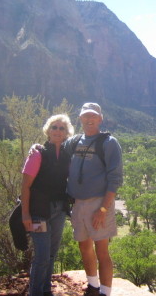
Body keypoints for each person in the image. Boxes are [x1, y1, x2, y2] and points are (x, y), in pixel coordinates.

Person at [66, 103, 123, 296]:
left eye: (93, 116)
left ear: (100, 118)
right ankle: (93, 286)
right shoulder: (75, 142)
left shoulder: (108, 143)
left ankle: (105, 292)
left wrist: (103, 209)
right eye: (85, 116)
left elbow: (115, 179)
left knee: (102, 250)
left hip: (99, 203)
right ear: (80, 118)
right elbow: (54, 148)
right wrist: (38, 148)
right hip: (78, 203)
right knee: (83, 245)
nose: (89, 120)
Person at [21, 114, 75, 296]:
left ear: (66, 132)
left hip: (59, 210)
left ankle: (45, 290)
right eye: (54, 127)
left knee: (51, 255)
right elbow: (25, 186)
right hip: (39, 212)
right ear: (48, 130)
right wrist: (25, 214)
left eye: (61, 128)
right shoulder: (38, 153)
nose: (57, 131)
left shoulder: (68, 155)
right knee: (42, 256)